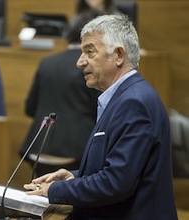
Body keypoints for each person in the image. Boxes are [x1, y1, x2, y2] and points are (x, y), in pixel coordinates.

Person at [24, 14, 178, 219]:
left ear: (119, 56)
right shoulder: (122, 97)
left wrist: (55, 191)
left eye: (90, 51)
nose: (80, 62)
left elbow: (116, 183)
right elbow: (117, 168)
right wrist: (73, 177)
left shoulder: (134, 103)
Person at [19, 10, 101, 178]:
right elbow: (99, 112)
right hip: (75, 152)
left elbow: (29, 108)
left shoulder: (47, 62)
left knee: (40, 199)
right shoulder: (90, 66)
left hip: (37, 149)